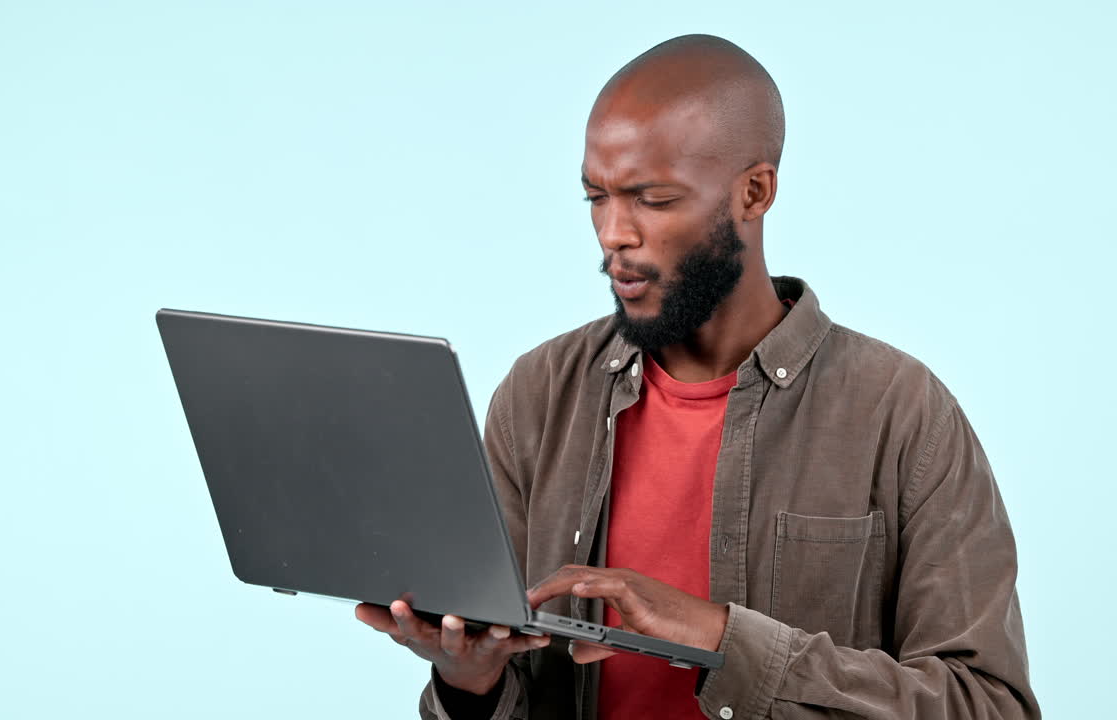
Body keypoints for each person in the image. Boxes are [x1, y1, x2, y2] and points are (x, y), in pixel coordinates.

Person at [354, 33, 1040, 720]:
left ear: (754, 192)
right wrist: (468, 682)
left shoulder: (899, 412)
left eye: (652, 200)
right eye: (597, 197)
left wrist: (719, 636)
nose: (613, 233)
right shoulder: (540, 394)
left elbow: (989, 704)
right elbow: (514, 688)